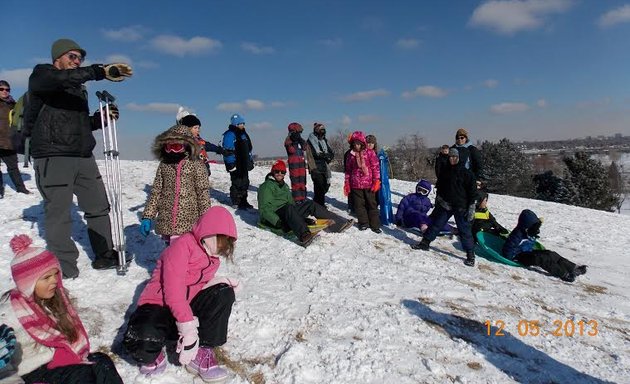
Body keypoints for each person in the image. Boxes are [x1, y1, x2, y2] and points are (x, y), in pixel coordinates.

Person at [26, 38, 132, 278]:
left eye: (79, 58)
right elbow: (56, 79)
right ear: (57, 59)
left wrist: (100, 119)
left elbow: (79, 124)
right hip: (54, 156)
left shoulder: (77, 90)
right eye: (71, 57)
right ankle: (65, 267)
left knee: (98, 206)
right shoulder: (42, 76)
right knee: (59, 213)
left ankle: (104, 255)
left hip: (83, 155)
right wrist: (98, 71)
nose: (76, 61)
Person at [123, 206, 239, 382]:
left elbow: (197, 285)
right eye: (224, 241)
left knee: (224, 293)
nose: (225, 248)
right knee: (142, 341)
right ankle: (155, 350)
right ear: (211, 233)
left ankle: (203, 350)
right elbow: (173, 291)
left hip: (185, 307)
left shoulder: (211, 258)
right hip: (159, 306)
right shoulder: (182, 246)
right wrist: (188, 329)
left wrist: (220, 282)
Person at [0, 234, 124, 383]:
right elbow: (4, 369)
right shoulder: (8, 315)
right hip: (31, 374)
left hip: (56, 362)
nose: (54, 281)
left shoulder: (51, 300)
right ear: (28, 283)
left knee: (102, 363)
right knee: (81, 376)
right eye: (46, 278)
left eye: (55, 274)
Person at [139, 124, 211, 245]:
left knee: (184, 252)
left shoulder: (196, 165)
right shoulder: (164, 165)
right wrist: (147, 216)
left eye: (176, 146)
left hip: (188, 220)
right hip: (167, 221)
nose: (172, 151)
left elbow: (203, 193)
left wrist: (206, 220)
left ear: (187, 146)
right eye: (169, 147)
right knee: (171, 252)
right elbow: (156, 192)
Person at [258, 160, 353, 246]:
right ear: (272, 172)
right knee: (289, 208)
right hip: (276, 215)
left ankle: (339, 223)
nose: (279, 174)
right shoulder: (266, 187)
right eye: (277, 171)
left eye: (282, 172)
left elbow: (292, 204)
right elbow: (264, 208)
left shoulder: (284, 186)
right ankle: (304, 235)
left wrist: (300, 218)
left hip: (289, 212)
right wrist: (277, 222)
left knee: (310, 204)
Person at [412, 148, 477, 266]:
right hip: (446, 204)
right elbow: (440, 187)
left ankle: (470, 254)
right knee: (436, 224)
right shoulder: (445, 171)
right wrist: (440, 199)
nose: (452, 159)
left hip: (461, 206)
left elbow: (472, 192)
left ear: (459, 158)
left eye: (455, 157)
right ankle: (425, 243)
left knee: (464, 230)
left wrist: (471, 207)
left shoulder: (467, 173)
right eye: (450, 157)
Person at [502, 209, 587, 282]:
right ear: (527, 225)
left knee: (550, 254)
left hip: (527, 252)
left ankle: (572, 268)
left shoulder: (529, 231)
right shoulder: (517, 235)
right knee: (542, 259)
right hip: (518, 256)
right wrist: (513, 258)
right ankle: (564, 274)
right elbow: (508, 249)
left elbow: (529, 242)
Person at [344, 131, 381, 233]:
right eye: (355, 144)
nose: (357, 146)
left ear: (362, 143)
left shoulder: (370, 153)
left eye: (359, 143)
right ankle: (363, 223)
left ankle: (375, 225)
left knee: (372, 204)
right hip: (355, 184)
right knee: (359, 205)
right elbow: (348, 170)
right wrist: (347, 183)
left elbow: (375, 167)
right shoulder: (350, 155)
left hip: (369, 184)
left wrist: (376, 180)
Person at [0, 80, 30, 198]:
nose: (5, 92)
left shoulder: (14, 105)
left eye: (7, 90)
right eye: (1, 89)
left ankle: (21, 189)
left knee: (13, 167)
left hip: (8, 141)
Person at [176, 108, 223, 175]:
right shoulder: (184, 142)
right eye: (195, 128)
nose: (198, 130)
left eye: (198, 128)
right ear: (188, 129)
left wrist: (219, 149)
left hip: (203, 172)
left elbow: (208, 145)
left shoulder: (198, 140)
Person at [222, 114, 254, 209]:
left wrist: (250, 160)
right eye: (241, 123)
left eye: (243, 123)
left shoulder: (243, 134)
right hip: (235, 163)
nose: (243, 125)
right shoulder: (229, 134)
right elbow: (228, 151)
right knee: (237, 182)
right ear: (235, 124)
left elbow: (248, 149)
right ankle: (236, 201)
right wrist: (231, 163)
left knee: (245, 182)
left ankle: (244, 201)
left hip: (244, 162)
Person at [306, 122, 334, 206]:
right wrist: (325, 156)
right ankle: (319, 205)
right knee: (319, 187)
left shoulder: (324, 140)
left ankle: (317, 202)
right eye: (320, 130)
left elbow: (331, 153)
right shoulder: (311, 140)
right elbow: (315, 154)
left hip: (325, 167)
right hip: (315, 167)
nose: (322, 131)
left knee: (326, 186)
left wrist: (328, 156)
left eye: (323, 130)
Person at [284, 122, 308, 203]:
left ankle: (303, 197)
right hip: (294, 165)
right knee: (296, 183)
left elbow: (305, 147)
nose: (299, 134)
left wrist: (300, 140)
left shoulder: (300, 140)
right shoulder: (288, 140)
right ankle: (297, 199)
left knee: (302, 182)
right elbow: (291, 150)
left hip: (301, 165)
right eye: (298, 132)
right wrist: (293, 141)